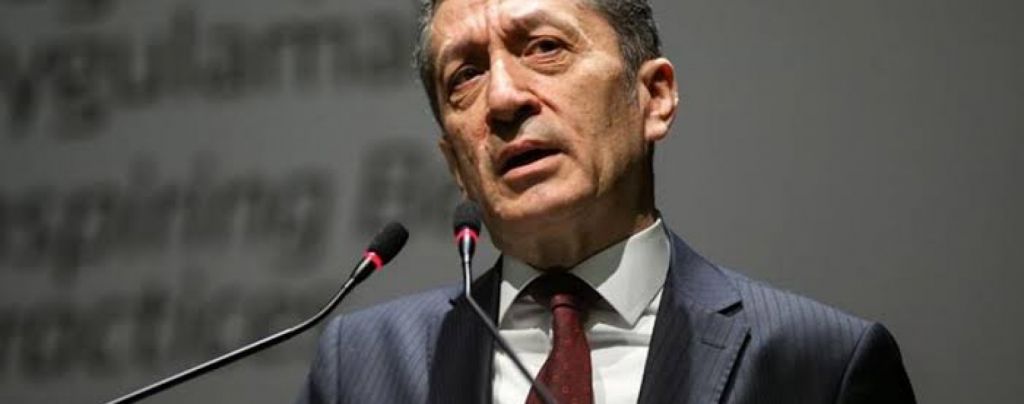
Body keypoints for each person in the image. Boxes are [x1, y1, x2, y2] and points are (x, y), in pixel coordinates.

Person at [297, 0, 916, 402]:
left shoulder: (817, 363)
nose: (504, 98)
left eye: (545, 47)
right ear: (456, 164)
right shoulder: (363, 367)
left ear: (655, 97)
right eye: (466, 75)